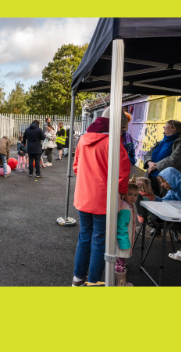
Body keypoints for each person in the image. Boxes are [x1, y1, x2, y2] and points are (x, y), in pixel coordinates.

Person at [72, 111, 131, 286]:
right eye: (122, 128)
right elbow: (123, 173)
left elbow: (76, 167)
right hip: (104, 200)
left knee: (84, 237)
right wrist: (122, 192)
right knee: (99, 241)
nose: (123, 131)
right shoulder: (113, 142)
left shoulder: (83, 139)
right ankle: (93, 282)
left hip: (83, 196)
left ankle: (77, 279)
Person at [143, 120, 181, 197]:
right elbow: (148, 153)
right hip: (151, 177)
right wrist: (150, 163)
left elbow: (174, 159)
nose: (164, 127)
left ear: (174, 128)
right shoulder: (161, 141)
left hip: (166, 181)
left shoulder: (180, 143)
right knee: (148, 199)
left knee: (163, 201)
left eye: (166, 125)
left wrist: (155, 166)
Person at [115, 182, 138, 286]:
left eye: (135, 195)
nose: (133, 197)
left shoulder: (127, 206)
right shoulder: (126, 209)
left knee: (120, 261)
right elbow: (121, 227)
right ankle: (121, 284)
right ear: (124, 194)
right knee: (120, 263)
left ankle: (119, 282)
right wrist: (124, 243)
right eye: (130, 194)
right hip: (122, 241)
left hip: (122, 240)